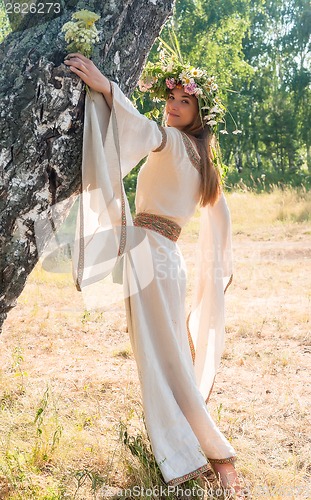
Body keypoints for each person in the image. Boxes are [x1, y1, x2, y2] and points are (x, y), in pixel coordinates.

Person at [64, 50, 242, 496]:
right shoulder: (205, 160)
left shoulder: (172, 140)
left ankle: (212, 455)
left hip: (151, 256)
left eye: (185, 101)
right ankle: (192, 448)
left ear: (200, 111)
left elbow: (139, 130)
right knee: (167, 355)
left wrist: (106, 87)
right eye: (172, 97)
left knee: (161, 359)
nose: (173, 105)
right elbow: (220, 220)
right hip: (164, 258)